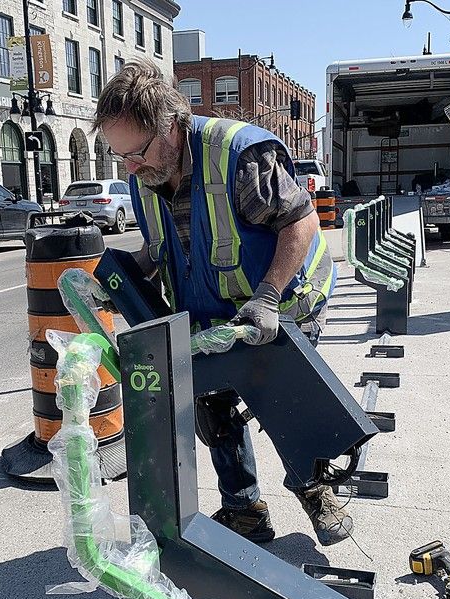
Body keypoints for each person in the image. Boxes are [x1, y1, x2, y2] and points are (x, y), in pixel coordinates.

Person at [93, 61, 350, 547]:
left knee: (282, 401)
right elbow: (159, 250)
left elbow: (300, 224)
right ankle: (245, 509)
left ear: (171, 125)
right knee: (214, 408)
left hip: (280, 302)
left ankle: (315, 491)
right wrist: (120, 279)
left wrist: (269, 297)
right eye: (119, 155)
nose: (130, 166)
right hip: (212, 313)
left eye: (137, 152)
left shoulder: (237, 158)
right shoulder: (143, 176)